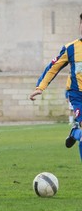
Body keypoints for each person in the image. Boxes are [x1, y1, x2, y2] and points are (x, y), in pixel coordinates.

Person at [29, 13, 82, 159]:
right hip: (78, 95)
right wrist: (40, 87)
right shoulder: (71, 48)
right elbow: (53, 67)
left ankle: (75, 133)